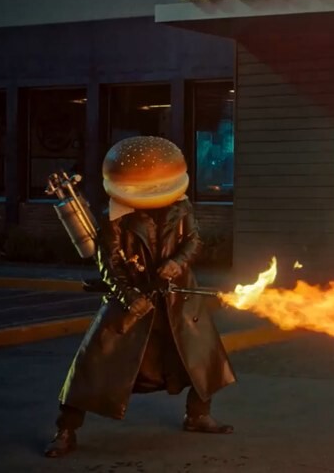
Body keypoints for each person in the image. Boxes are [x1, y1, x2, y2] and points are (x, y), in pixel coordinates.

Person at [44, 136, 236, 458]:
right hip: (134, 299)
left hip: (177, 298)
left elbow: (193, 241)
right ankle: (66, 429)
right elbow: (110, 264)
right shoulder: (115, 216)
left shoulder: (181, 206)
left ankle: (198, 415)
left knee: (201, 357)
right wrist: (129, 296)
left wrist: (177, 262)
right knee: (94, 363)